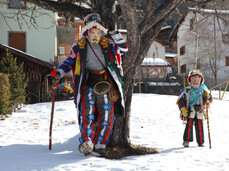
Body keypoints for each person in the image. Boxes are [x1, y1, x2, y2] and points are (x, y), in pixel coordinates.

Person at [53, 13, 128, 155]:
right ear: (87, 33)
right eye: (92, 32)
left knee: (107, 114)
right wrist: (59, 73)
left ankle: (101, 144)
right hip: (87, 83)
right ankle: (87, 142)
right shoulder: (79, 46)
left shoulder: (108, 45)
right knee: (86, 114)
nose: (95, 36)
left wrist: (115, 34)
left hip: (105, 83)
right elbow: (70, 62)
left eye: (98, 33)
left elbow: (124, 49)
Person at [176, 70, 213, 147]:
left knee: (199, 125)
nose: (196, 82)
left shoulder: (203, 90)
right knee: (189, 125)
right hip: (190, 110)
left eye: (198, 80)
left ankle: (201, 141)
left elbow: (210, 99)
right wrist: (182, 108)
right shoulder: (186, 90)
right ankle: (186, 140)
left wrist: (208, 96)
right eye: (194, 80)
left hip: (199, 110)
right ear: (190, 81)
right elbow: (180, 100)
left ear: (200, 82)